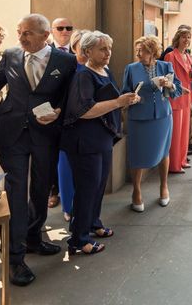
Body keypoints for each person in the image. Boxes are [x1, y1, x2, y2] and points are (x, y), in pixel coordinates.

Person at [0, 14, 77, 286]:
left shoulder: (66, 61)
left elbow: (70, 97)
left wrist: (58, 112)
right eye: (19, 32)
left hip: (46, 134)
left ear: (46, 36)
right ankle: (14, 259)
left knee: (41, 189)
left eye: (27, 33)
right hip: (12, 133)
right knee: (16, 194)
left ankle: (33, 238)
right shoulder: (10, 55)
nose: (20, 38)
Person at [62, 31, 137, 256]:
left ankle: (93, 224)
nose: (108, 53)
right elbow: (83, 111)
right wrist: (118, 102)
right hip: (85, 141)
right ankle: (78, 239)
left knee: (97, 186)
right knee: (87, 189)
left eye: (109, 48)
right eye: (102, 49)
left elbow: (111, 103)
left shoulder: (105, 71)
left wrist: (128, 100)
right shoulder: (83, 76)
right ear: (87, 52)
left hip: (102, 138)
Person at [122, 36, 181, 212]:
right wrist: (132, 98)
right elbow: (124, 92)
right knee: (137, 154)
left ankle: (164, 187)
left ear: (153, 52)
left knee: (164, 151)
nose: (139, 54)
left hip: (163, 116)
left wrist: (169, 84)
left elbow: (176, 88)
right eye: (137, 50)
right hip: (138, 117)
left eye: (143, 51)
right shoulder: (131, 69)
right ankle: (136, 191)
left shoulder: (165, 66)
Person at [57, 29, 89, 223]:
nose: (86, 51)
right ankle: (68, 207)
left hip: (92, 128)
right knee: (66, 168)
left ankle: (86, 208)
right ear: (74, 47)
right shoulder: (66, 68)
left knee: (87, 172)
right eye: (82, 47)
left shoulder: (99, 68)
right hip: (68, 126)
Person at [47, 17, 75, 208]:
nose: (65, 31)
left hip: (71, 114)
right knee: (51, 155)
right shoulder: (45, 52)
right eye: (60, 28)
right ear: (52, 30)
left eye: (68, 28)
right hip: (49, 114)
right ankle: (53, 191)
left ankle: (69, 194)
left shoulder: (78, 52)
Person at [164, 28, 192, 172]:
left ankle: (182, 160)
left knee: (184, 132)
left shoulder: (188, 56)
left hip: (187, 96)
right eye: (184, 37)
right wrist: (176, 89)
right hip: (176, 97)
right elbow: (168, 78)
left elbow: (190, 78)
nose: (186, 40)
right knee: (176, 133)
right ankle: (174, 165)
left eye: (189, 37)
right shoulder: (170, 56)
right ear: (178, 38)